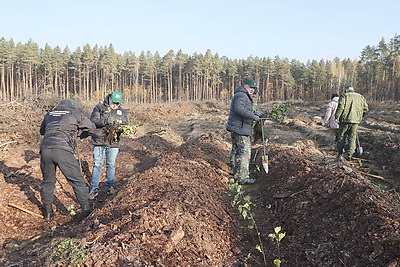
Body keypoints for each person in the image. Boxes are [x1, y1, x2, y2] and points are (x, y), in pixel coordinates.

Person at [39, 99, 97, 221]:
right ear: (73, 106)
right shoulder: (75, 114)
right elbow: (92, 128)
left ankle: (48, 213)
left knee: (48, 182)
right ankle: (86, 210)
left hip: (45, 149)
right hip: (62, 150)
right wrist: (81, 134)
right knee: (77, 180)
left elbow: (42, 131)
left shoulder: (50, 114)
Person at [89, 91, 128, 199]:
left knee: (111, 164)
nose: (115, 105)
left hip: (113, 143)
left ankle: (110, 187)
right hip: (99, 141)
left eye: (117, 103)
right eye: (114, 102)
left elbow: (125, 123)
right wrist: (105, 121)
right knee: (97, 165)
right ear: (109, 99)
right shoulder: (99, 108)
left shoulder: (122, 111)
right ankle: (93, 189)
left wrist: (119, 128)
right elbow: (94, 121)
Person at [226, 78, 261, 185]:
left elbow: (249, 109)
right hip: (240, 129)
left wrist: (260, 114)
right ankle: (243, 177)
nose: (252, 90)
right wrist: (253, 116)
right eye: (251, 88)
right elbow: (239, 109)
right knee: (245, 152)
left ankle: (237, 173)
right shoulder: (241, 95)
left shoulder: (243, 95)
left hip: (240, 127)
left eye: (254, 88)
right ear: (245, 86)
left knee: (238, 152)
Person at [335, 85, 368, 161]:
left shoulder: (344, 96)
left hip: (344, 121)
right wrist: (359, 116)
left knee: (341, 137)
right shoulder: (361, 97)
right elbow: (365, 109)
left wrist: (336, 117)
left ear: (346, 90)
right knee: (352, 139)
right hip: (355, 121)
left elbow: (341, 107)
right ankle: (349, 155)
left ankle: (340, 154)